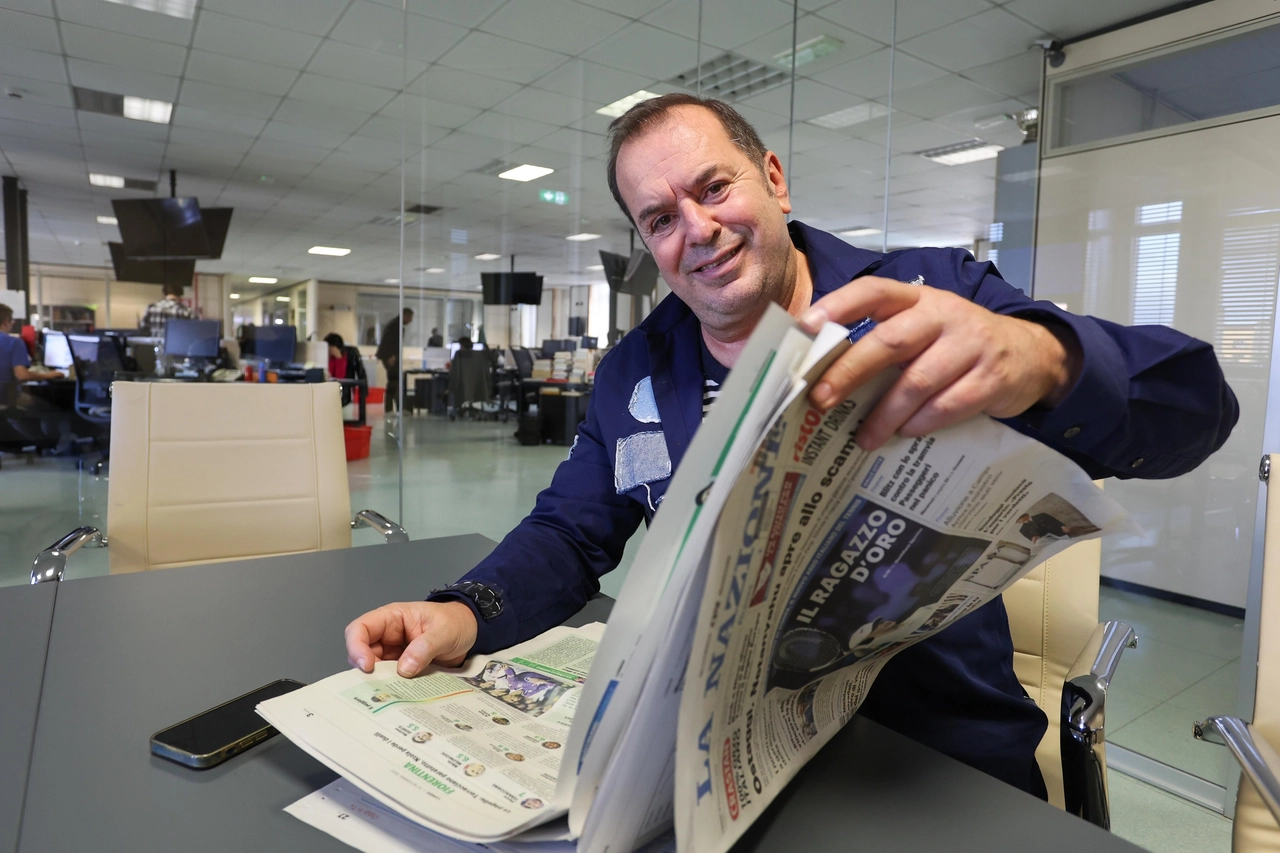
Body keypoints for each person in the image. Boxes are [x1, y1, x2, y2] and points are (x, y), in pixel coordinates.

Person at [345, 94, 1239, 797]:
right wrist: (465, 610)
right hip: (719, 752)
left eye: (713, 188)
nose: (695, 229)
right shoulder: (634, 373)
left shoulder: (926, 296)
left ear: (773, 177)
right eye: (659, 219)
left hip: (928, 754)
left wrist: (1047, 359)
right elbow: (574, 529)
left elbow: (1197, 408)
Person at [375, 308, 413, 414]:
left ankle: (397, 408)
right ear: (405, 316)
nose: (411, 320)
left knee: (395, 382)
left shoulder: (397, 325)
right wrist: (390, 356)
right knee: (393, 381)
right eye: (410, 317)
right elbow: (388, 341)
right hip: (390, 357)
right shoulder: (394, 326)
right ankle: (389, 409)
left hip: (392, 356)